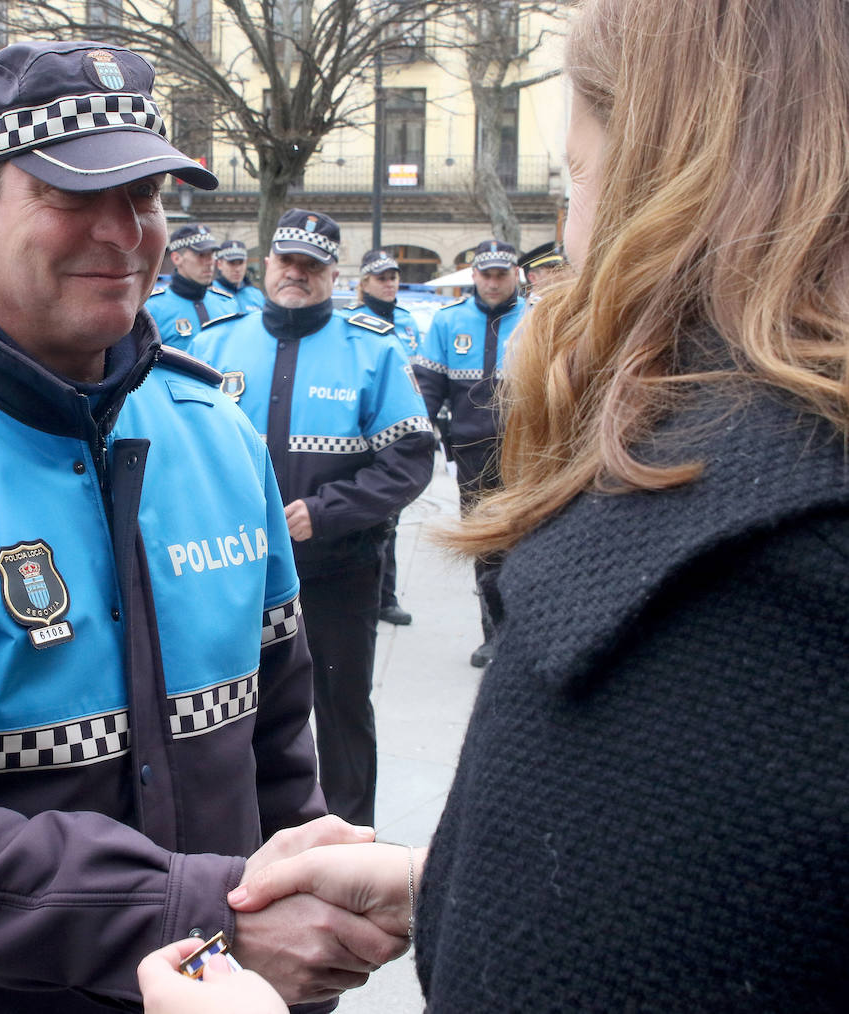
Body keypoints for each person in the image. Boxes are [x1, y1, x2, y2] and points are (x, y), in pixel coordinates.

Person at [147, 1, 849, 1010]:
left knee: (336, 718)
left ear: (677, 183)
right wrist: (453, 885)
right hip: (265, 563)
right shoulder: (217, 346)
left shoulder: (745, 576)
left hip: (340, 562)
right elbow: (676, 891)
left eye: (577, 174)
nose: (568, 229)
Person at [0, 40, 403, 1014]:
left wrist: (299, 943)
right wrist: (196, 921)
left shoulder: (216, 436)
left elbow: (277, 745)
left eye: (144, 198)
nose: (124, 232)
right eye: (74, 196)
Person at [191, 209, 435, 827]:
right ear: (268, 263)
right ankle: (247, 834)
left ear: (333, 275)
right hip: (233, 571)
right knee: (233, 707)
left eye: (312, 267)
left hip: (340, 569)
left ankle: (352, 837)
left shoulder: (371, 350)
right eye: (287, 262)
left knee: (342, 707)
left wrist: (326, 512)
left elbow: (408, 461)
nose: (296, 275)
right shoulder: (214, 342)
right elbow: (178, 448)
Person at [413, 239, 524, 668]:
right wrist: (417, 441)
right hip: (474, 453)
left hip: (528, 452)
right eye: (486, 274)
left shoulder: (538, 318)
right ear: (474, 275)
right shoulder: (448, 322)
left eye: (501, 274)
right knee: (486, 546)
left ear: (515, 274)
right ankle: (494, 635)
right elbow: (428, 389)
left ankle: (524, 633)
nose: (493, 282)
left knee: (525, 541)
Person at [345, 248, 422, 628]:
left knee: (393, 518)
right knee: (376, 521)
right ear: (364, 283)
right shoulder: (354, 324)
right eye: (381, 278)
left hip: (404, 423)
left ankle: (385, 595)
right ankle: (378, 595)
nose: (389, 284)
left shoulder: (407, 321)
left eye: (393, 277)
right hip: (371, 432)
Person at [145, 223, 238, 347]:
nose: (210, 261)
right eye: (201, 255)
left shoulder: (228, 304)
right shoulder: (152, 308)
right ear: (177, 258)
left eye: (211, 254)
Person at [212, 239, 264, 312]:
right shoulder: (210, 294)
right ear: (219, 264)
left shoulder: (256, 295)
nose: (237, 269)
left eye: (241, 263)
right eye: (232, 263)